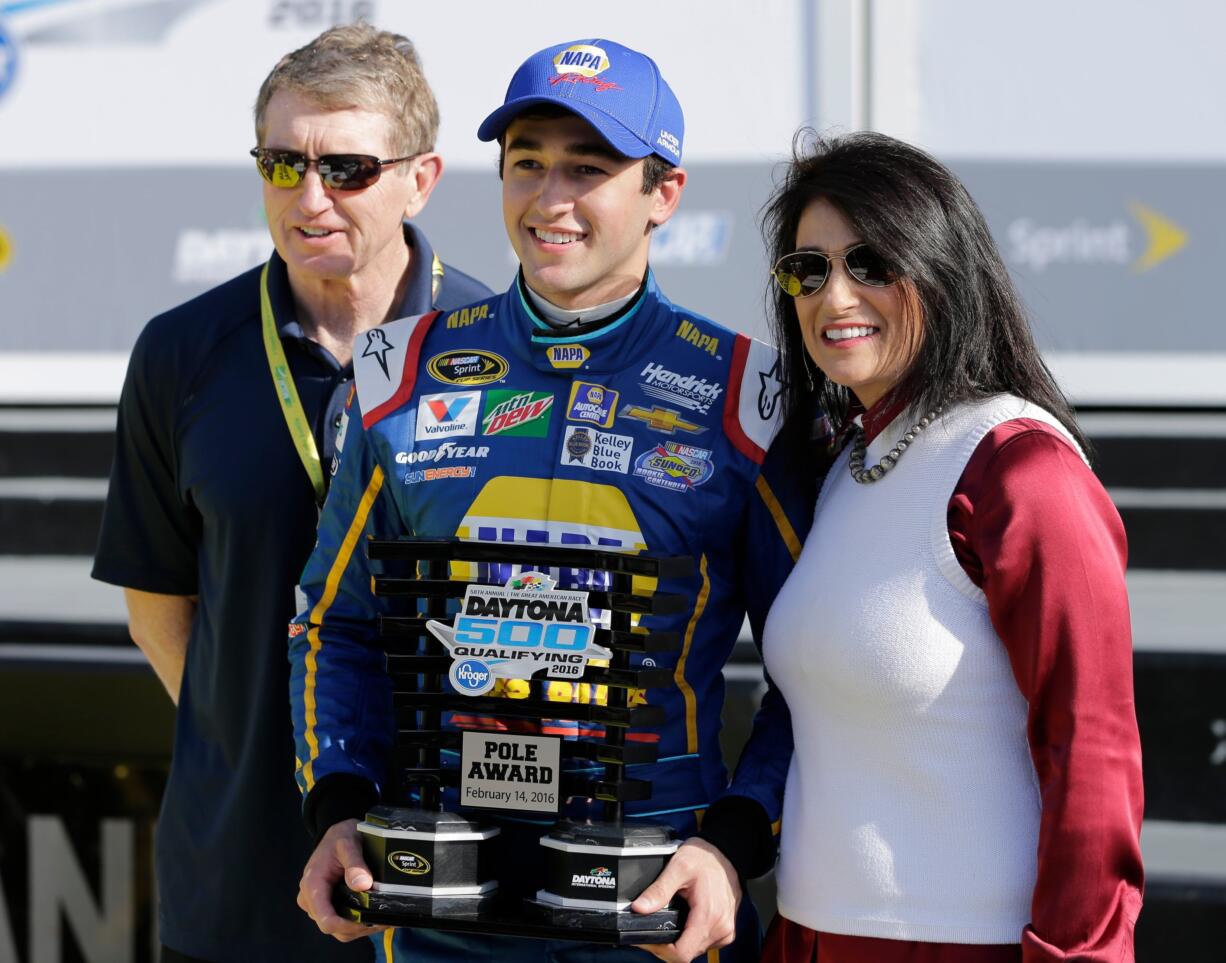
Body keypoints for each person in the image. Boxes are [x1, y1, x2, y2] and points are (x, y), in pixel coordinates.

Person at [288, 37, 813, 963]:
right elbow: (336, 625)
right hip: (443, 895)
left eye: (589, 167)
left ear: (664, 193)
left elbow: (818, 671)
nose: (550, 198)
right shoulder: (398, 372)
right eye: (526, 163)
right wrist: (338, 804)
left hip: (654, 900)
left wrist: (733, 846)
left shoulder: (745, 397)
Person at [92, 23, 490, 962]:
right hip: (241, 882)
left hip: (449, 870)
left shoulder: (495, 350)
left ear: (419, 178)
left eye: (347, 168)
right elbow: (158, 612)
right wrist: (280, 748)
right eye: (282, 164)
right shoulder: (183, 351)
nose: (309, 199)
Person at [755, 130, 1145, 963]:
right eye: (808, 269)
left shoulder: (1019, 466)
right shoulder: (841, 467)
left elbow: (1093, 745)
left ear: (938, 265)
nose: (835, 295)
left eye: (869, 261)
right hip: (809, 937)